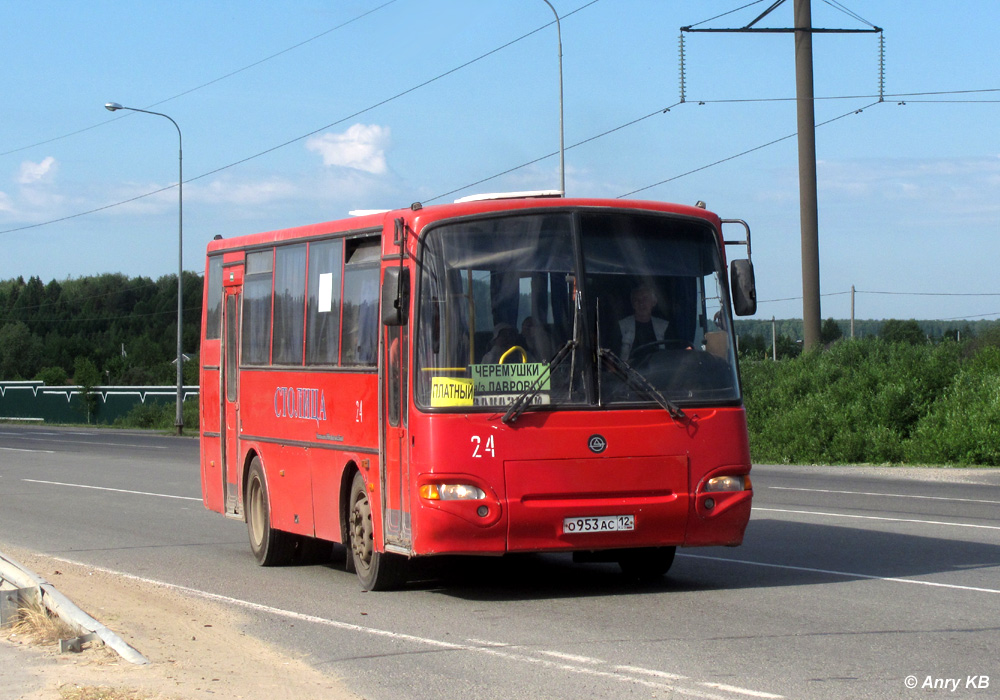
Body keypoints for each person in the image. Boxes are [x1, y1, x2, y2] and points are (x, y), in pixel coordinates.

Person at [619, 284, 668, 362]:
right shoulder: (621, 326)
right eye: (636, 300)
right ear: (632, 304)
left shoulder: (665, 326)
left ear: (654, 302)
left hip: (658, 371)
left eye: (645, 299)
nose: (641, 303)